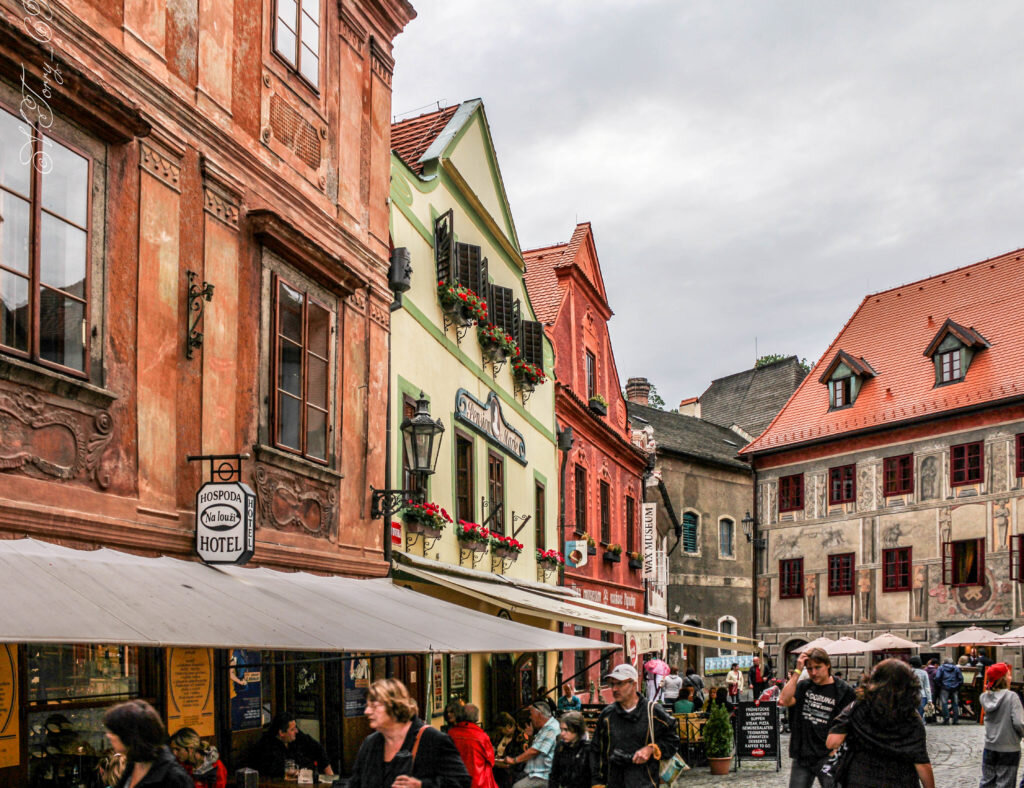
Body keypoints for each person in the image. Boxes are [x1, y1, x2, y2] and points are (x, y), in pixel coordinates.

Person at [825, 659, 935, 788]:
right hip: (900, 781)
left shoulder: (859, 707)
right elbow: (921, 763)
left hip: (860, 778)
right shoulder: (912, 718)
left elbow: (832, 742)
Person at [350, 678, 470, 788]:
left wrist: (422, 785)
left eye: (374, 706)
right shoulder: (370, 743)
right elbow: (355, 783)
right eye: (367, 706)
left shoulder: (432, 740)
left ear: (393, 705)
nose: (367, 711)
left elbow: (461, 782)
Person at [590, 663, 679, 788]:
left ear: (634, 684)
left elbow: (673, 741)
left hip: (645, 783)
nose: (614, 689)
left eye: (620, 683)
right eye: (612, 684)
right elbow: (596, 751)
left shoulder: (652, 712)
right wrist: (597, 783)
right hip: (615, 783)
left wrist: (652, 749)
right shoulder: (607, 715)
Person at [779, 646, 855, 788]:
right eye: (810, 669)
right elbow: (784, 700)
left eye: (818, 667)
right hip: (804, 754)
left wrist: (839, 749)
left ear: (828, 665)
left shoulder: (844, 691)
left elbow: (852, 723)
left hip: (829, 756)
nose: (813, 673)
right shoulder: (804, 686)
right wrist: (797, 672)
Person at [103, 699, 192, 788]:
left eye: (113, 732)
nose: (108, 736)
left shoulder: (174, 777)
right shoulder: (133, 765)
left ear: (130, 736)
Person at [249, 711, 334, 777]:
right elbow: (277, 771)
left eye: (296, 728)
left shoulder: (296, 736)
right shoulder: (267, 747)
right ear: (281, 733)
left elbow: (317, 748)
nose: (296, 731)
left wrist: (329, 773)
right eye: (293, 729)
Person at [980, 663, 1024, 788]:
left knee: (987, 781)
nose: (1010, 677)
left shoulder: (984, 697)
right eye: (1008, 674)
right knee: (1005, 782)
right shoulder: (1012, 697)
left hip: (990, 745)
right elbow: (1019, 722)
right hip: (1009, 747)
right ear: (1004, 678)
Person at [499, 702, 560, 788]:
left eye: (531, 714)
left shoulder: (550, 729)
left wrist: (514, 760)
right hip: (536, 770)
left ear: (539, 714)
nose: (530, 717)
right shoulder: (546, 728)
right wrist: (531, 737)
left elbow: (534, 751)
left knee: (517, 786)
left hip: (543, 774)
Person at [448, 704, 498, 788]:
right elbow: (491, 761)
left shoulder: (451, 733)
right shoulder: (482, 736)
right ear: (476, 718)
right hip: (478, 782)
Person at [548, 712, 589, 788]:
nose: (562, 733)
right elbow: (554, 774)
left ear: (577, 729)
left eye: (566, 730)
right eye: (561, 729)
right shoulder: (560, 746)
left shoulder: (587, 749)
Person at [491, 712, 524, 788]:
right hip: (498, 767)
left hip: (511, 771)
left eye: (501, 729)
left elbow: (517, 760)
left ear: (509, 726)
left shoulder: (520, 738)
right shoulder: (500, 736)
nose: (500, 732)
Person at [935, 657, 964, 725]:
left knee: (944, 703)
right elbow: (961, 678)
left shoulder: (941, 668)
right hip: (955, 687)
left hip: (944, 687)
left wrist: (940, 685)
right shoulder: (956, 668)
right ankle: (955, 720)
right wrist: (957, 686)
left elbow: (937, 677)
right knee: (955, 703)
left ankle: (946, 719)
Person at [908, 656, 932, 720]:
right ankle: (921, 726)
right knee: (921, 715)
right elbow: (927, 687)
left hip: (910, 695)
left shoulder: (908, 672)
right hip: (922, 696)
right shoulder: (924, 673)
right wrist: (929, 699)